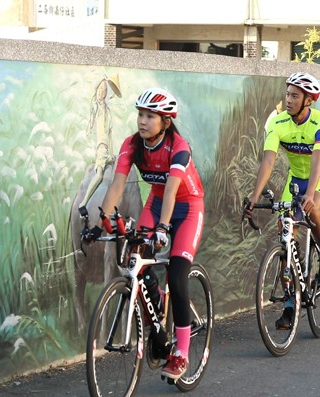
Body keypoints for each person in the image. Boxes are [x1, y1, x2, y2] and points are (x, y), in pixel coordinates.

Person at [92, 87, 205, 380]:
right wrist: (102, 218)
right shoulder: (132, 144)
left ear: (166, 121)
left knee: (177, 277)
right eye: (140, 114)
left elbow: (172, 190)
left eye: (150, 116)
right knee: (135, 261)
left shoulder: (178, 147)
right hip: (156, 203)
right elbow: (117, 184)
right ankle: (157, 331)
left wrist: (163, 228)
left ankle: (181, 354)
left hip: (187, 208)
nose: (142, 121)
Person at [245, 72, 320, 330]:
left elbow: (318, 160)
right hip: (295, 180)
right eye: (287, 94)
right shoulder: (278, 123)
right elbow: (269, 160)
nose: (289, 99)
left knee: (312, 208)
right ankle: (289, 306)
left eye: (295, 95)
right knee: (285, 234)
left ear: (308, 100)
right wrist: (254, 197)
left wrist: (310, 195)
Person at [78, 74, 122, 209]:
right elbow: (93, 88)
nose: (100, 92)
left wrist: (113, 154)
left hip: (107, 149)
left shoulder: (107, 111)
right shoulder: (95, 107)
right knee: (99, 175)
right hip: (100, 148)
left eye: (103, 90)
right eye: (99, 89)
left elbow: (110, 133)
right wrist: (103, 78)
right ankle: (84, 202)